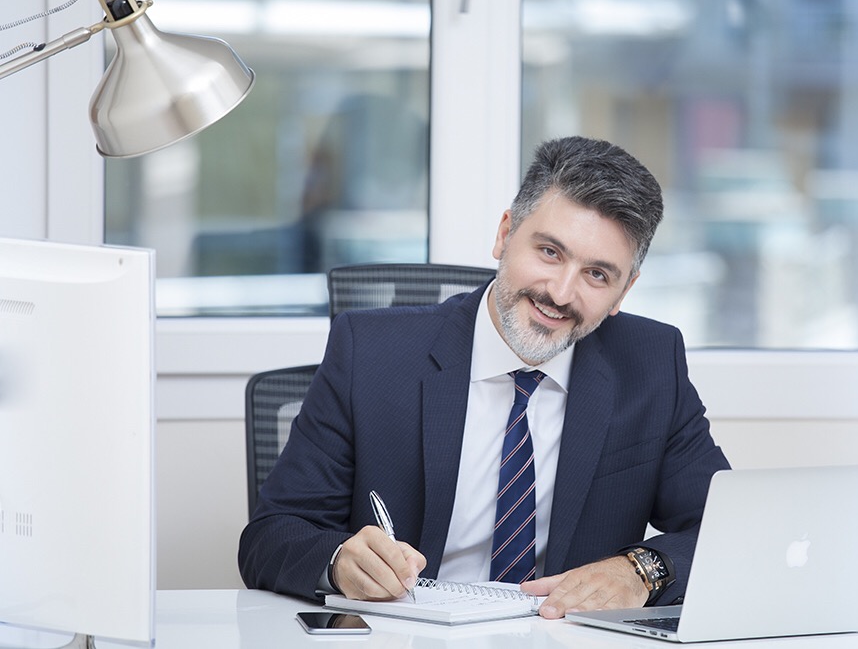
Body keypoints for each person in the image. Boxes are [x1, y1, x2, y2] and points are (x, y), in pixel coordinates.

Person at [238, 136, 730, 618]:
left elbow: (731, 530)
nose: (560, 293)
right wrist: (339, 560)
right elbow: (271, 535)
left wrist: (641, 570)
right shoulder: (369, 353)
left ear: (625, 291)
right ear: (504, 234)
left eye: (597, 275)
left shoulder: (650, 363)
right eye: (550, 253)